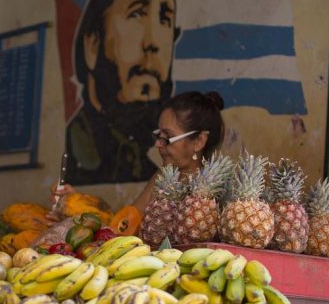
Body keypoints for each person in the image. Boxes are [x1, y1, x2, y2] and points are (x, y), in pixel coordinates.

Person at [66, 0, 179, 185]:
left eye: (165, 18)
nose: (153, 42)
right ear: (92, 45)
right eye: (137, 13)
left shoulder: (152, 165)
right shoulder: (76, 152)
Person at [54, 91, 225, 214]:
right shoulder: (162, 177)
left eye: (168, 137)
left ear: (199, 141)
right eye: (158, 135)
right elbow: (127, 222)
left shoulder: (217, 191)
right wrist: (79, 204)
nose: (158, 144)